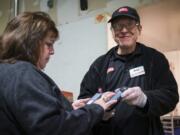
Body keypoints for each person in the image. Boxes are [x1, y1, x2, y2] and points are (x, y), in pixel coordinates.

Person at [0, 11, 117, 135]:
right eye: (49, 44)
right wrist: (96, 108)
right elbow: (53, 128)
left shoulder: (6, 70)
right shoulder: (23, 73)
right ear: (30, 43)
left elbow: (31, 116)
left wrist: (68, 108)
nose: (52, 51)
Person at [78, 6, 179, 135]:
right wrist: (98, 111)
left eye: (130, 25)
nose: (124, 30)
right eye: (118, 26)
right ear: (113, 32)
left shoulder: (154, 59)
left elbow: (170, 96)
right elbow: (85, 98)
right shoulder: (100, 64)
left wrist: (145, 99)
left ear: (139, 29)